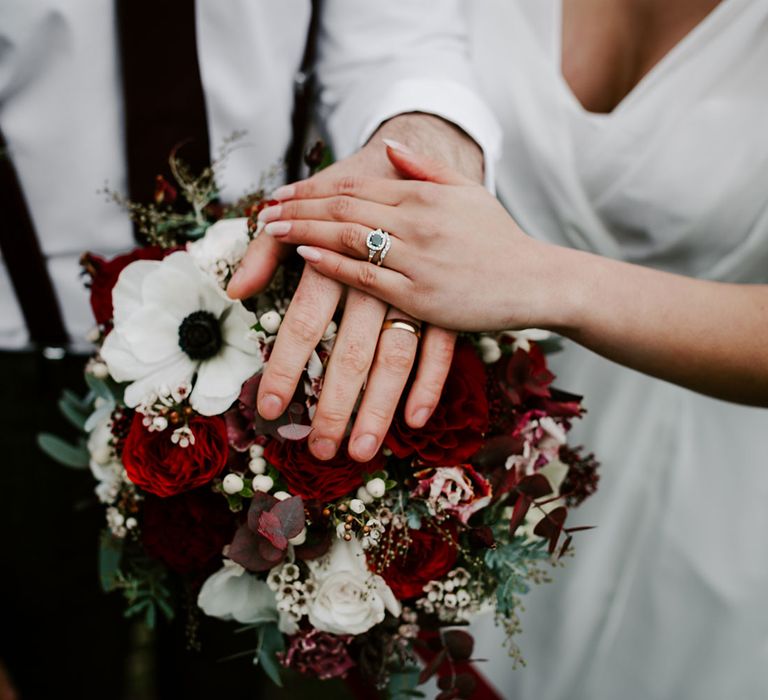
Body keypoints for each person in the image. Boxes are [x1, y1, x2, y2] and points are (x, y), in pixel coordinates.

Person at [230, 1, 768, 698]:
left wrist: (542, 279)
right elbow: (394, 34)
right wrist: (422, 142)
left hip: (701, 498)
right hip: (448, 469)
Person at [0, 1, 500, 697]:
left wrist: (419, 144)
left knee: (230, 670)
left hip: (273, 338)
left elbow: (395, 40)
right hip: (17, 352)